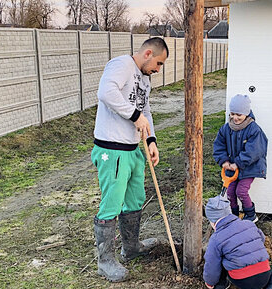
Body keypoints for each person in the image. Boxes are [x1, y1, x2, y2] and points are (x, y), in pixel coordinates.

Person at [91, 37, 169, 282]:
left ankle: (131, 248)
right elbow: (106, 93)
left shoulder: (144, 78)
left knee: (135, 199)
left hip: (133, 149)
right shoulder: (121, 65)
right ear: (148, 53)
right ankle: (105, 261)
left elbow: (144, 110)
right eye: (158, 63)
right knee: (112, 202)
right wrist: (134, 115)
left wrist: (151, 140)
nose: (158, 69)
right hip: (112, 149)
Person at [203, 195, 272, 289]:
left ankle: (221, 285)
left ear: (212, 221)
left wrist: (210, 282)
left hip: (241, 280)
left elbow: (211, 264)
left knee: (220, 259)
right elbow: (261, 239)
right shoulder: (249, 224)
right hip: (264, 275)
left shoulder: (216, 238)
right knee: (271, 273)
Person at [213, 94, 268, 222]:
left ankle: (251, 215)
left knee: (241, 191)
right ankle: (234, 216)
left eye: (239, 115)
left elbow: (254, 151)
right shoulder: (226, 128)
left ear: (246, 114)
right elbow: (219, 146)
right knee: (230, 193)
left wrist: (238, 163)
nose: (235, 118)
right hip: (232, 169)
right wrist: (224, 161)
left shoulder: (254, 130)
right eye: (232, 114)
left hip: (249, 168)